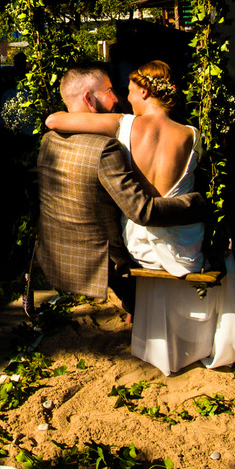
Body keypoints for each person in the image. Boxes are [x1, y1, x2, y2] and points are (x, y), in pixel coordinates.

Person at [31, 63, 206, 319]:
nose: (120, 98)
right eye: (112, 91)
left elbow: (52, 119)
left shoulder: (120, 125)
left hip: (111, 250)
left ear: (145, 92)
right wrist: (199, 204)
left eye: (126, 90)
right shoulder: (190, 133)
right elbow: (144, 209)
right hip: (176, 247)